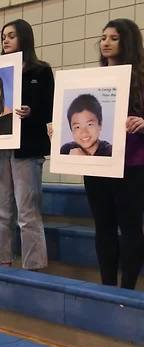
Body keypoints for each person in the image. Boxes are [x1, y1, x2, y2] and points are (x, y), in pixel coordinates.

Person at [0, 19, 54, 270]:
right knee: (0, 212)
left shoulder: (41, 72)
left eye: (11, 35)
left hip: (26, 148)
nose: (5, 40)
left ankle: (34, 267)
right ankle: (2, 262)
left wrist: (31, 112)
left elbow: (51, 110)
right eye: (3, 36)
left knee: (28, 213)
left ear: (24, 38)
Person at [84, 18, 144, 289]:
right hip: (97, 165)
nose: (105, 42)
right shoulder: (92, 79)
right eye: (103, 37)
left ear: (127, 42)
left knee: (130, 228)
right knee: (103, 227)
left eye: (114, 38)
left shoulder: (140, 79)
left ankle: (128, 287)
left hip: (131, 163)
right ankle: (107, 285)